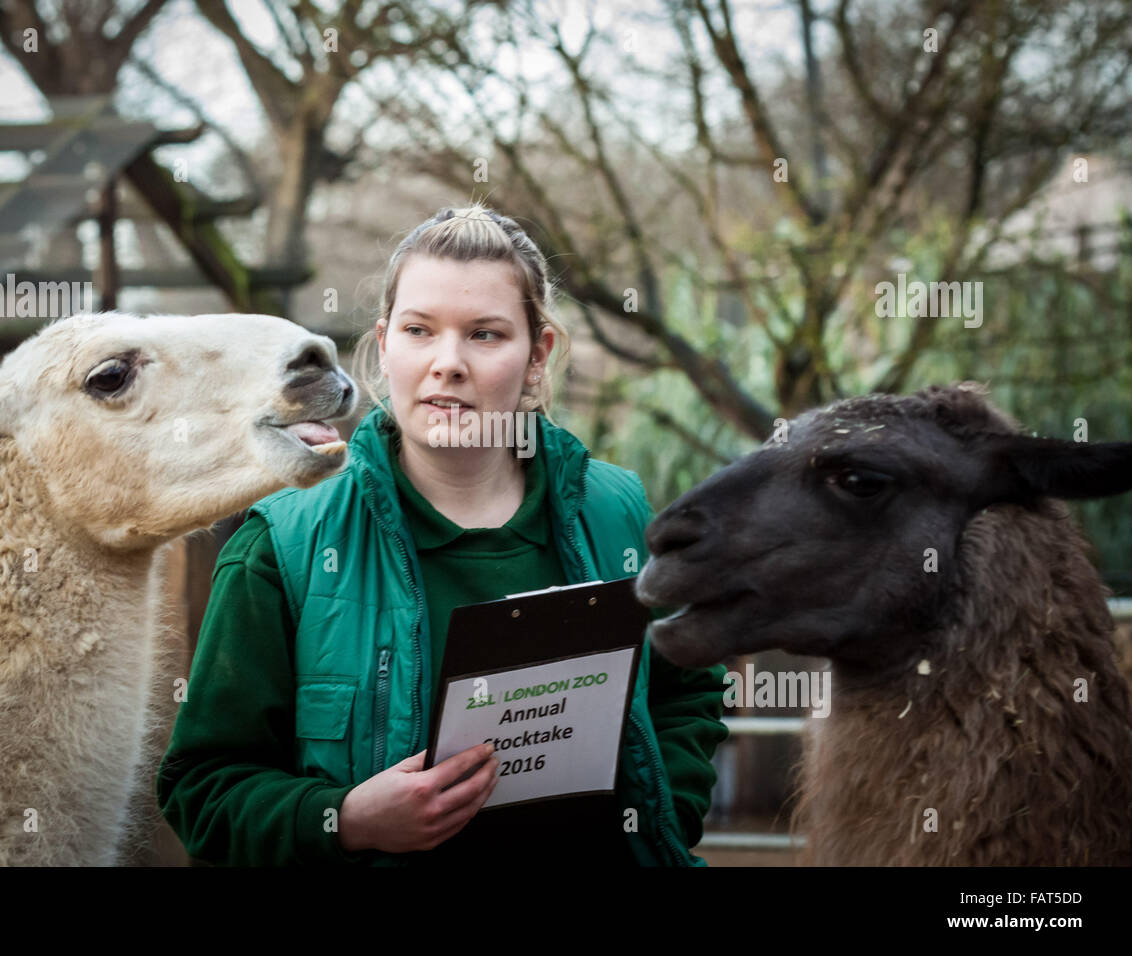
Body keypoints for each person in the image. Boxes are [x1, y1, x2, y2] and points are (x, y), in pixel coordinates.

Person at [156, 204, 730, 866]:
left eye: (485, 335)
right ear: (384, 343)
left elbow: (688, 690)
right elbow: (201, 790)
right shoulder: (282, 546)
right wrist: (343, 819)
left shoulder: (620, 513)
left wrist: (654, 820)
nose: (447, 363)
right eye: (420, 330)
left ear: (537, 355)